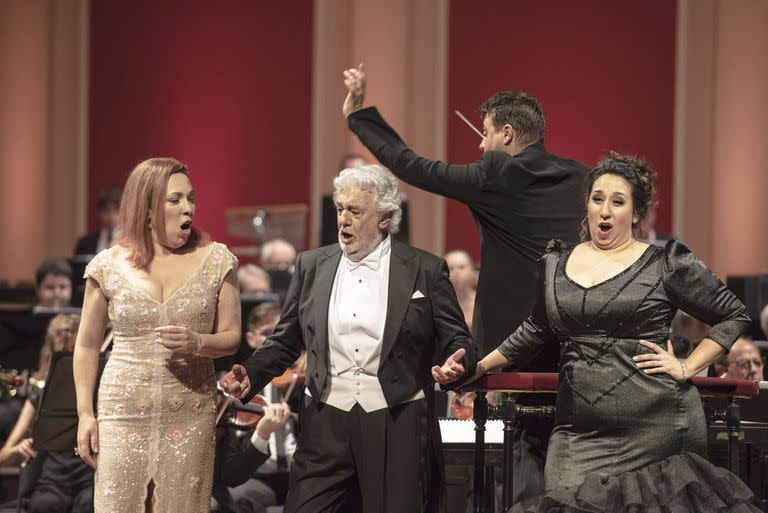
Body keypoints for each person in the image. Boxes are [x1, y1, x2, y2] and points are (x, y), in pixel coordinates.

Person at [468, 152, 759, 511]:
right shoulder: (556, 263)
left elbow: (733, 314)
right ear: (587, 206)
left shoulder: (665, 262)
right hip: (577, 435)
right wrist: (482, 366)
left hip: (658, 431)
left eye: (618, 201)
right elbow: (536, 328)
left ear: (635, 214)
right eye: (597, 199)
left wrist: (687, 366)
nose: (605, 210)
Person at [221, 164, 477, 513]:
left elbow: (457, 339)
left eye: (355, 211)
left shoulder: (425, 269)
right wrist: (252, 373)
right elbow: (285, 340)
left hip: (395, 417)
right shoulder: (311, 266)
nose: (343, 219)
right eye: (340, 208)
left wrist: (454, 365)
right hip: (325, 418)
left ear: (385, 218)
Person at [343, 64, 588, 361]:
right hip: (574, 337)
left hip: (511, 343)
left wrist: (357, 117)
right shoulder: (581, 176)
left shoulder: (494, 173)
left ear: (507, 133)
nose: (481, 143)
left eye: (486, 133)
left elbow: (411, 165)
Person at [72, 157, 241, 513]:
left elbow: (232, 337)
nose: (188, 208)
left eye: (190, 199)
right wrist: (85, 414)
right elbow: (86, 345)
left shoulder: (217, 260)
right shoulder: (107, 265)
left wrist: (198, 342)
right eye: (175, 199)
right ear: (146, 208)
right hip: (122, 410)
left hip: (190, 408)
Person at [0, 313, 94, 513]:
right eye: (61, 357)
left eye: (73, 356)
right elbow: (4, 456)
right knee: (46, 504)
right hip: (52, 482)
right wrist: (19, 449)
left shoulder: (99, 392)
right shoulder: (40, 393)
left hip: (89, 477)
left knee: (89, 503)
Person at [74, 189, 122, 256]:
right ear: (99, 213)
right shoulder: (84, 243)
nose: (112, 216)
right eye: (107, 210)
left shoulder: (130, 243)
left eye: (116, 211)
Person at [444, 250, 476, 328]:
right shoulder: (438, 305)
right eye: (451, 268)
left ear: (472, 271)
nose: (456, 272)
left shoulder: (483, 303)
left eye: (461, 267)